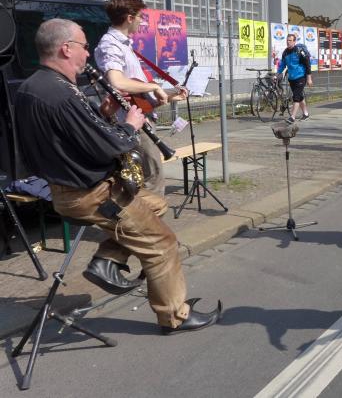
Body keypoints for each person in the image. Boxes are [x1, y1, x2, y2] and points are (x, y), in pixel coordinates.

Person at [14, 19, 221, 334]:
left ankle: (106, 260)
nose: (88, 54)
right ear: (66, 49)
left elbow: (72, 137)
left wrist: (105, 115)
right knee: (162, 243)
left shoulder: (32, 87)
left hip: (66, 188)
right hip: (92, 193)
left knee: (156, 205)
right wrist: (130, 125)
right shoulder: (61, 93)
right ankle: (174, 316)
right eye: (84, 46)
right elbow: (108, 147)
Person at [95, 0, 187, 197]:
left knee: (150, 177)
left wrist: (171, 96)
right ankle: (152, 217)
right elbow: (117, 82)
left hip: (140, 118)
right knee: (152, 179)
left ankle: (147, 214)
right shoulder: (110, 44)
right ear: (129, 18)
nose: (141, 21)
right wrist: (153, 86)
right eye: (140, 17)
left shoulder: (125, 44)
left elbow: (135, 92)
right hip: (132, 124)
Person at [278, 33, 313, 123]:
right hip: (292, 78)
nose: (288, 42)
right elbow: (282, 65)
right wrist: (277, 74)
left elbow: (307, 64)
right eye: (287, 40)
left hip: (301, 77)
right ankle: (305, 114)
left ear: (294, 41)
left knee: (296, 97)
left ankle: (292, 117)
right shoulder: (285, 52)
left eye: (290, 40)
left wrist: (309, 78)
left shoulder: (299, 51)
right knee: (300, 96)